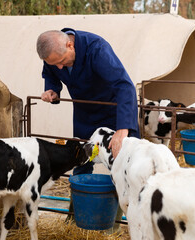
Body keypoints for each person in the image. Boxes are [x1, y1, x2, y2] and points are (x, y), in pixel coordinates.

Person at [36, 28, 140, 227]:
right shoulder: (54, 52)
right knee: (81, 161)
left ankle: (117, 221)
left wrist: (123, 128)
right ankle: (77, 215)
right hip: (84, 113)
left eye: (61, 61)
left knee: (125, 164)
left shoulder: (97, 49)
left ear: (70, 45)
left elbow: (124, 85)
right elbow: (50, 74)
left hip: (114, 111)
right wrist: (52, 90)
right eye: (54, 63)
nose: (59, 66)